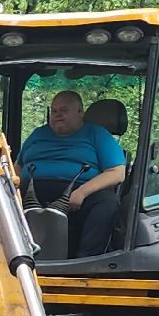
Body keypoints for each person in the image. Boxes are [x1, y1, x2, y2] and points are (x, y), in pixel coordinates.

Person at [20, 90, 128, 256]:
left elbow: (117, 173)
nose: (57, 115)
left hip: (80, 191)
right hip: (30, 190)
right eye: (54, 111)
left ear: (80, 112)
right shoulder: (38, 134)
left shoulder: (97, 135)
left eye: (64, 110)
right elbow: (16, 168)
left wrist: (82, 192)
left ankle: (86, 262)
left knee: (107, 203)